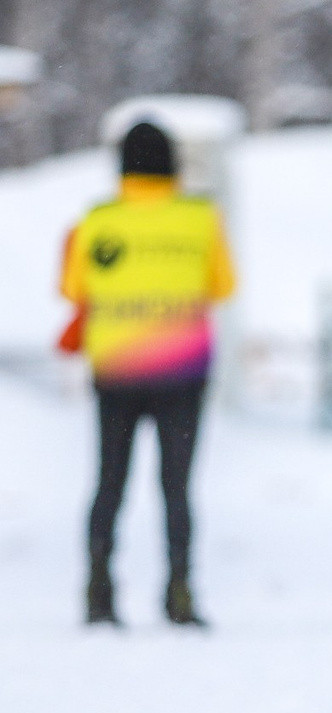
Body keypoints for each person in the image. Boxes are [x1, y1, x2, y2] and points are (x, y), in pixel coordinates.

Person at [58, 120, 234, 628]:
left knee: (109, 481)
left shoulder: (98, 220)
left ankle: (98, 593)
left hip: (115, 370)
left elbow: (75, 288)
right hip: (183, 371)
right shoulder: (200, 218)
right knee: (176, 486)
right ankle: (180, 593)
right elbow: (221, 285)